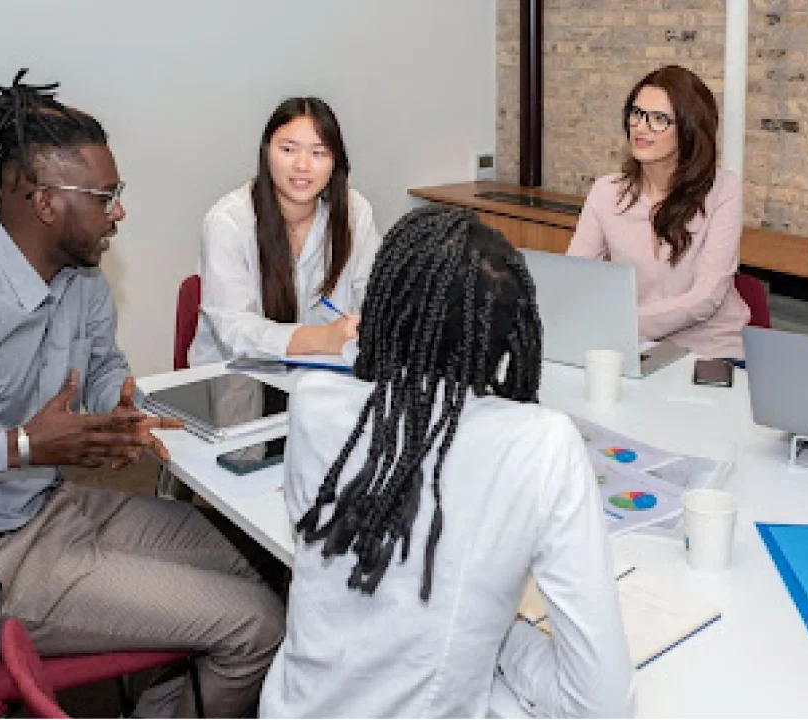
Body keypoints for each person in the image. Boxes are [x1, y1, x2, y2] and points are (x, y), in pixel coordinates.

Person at [0, 71, 283, 720]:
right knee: (258, 625)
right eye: (106, 196)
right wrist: (20, 446)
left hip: (52, 509)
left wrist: (120, 407)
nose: (120, 212)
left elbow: (101, 371)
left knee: (264, 562)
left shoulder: (81, 279)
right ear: (45, 202)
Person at [260, 207, 636, 719]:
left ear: (380, 308)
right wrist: (498, 633)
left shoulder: (313, 401)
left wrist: (480, 620)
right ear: (508, 335)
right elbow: (601, 707)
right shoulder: (540, 443)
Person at [568, 65, 750, 359]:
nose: (641, 127)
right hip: (634, 349)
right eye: (637, 113)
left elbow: (706, 298)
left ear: (689, 130)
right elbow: (573, 278)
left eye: (659, 119)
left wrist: (619, 324)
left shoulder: (723, 190)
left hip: (709, 353)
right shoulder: (606, 192)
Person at [189, 96, 382, 365]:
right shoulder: (228, 222)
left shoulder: (355, 213)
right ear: (267, 152)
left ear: (335, 160)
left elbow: (376, 303)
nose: (302, 165)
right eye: (289, 149)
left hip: (330, 374)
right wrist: (322, 338)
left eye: (318, 153)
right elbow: (234, 330)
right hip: (238, 376)